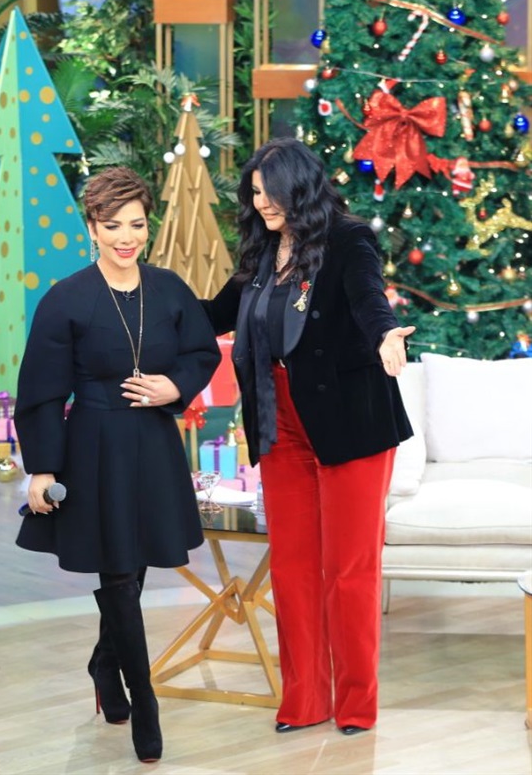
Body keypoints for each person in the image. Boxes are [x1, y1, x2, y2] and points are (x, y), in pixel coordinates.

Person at [201, 138, 414, 737]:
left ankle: (356, 704)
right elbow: (212, 315)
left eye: (269, 191)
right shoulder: (263, 252)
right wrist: (143, 296)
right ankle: (305, 699)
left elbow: (369, 299)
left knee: (348, 569)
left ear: (299, 186)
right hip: (279, 421)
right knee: (294, 567)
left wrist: (387, 333)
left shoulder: (348, 239)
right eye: (254, 192)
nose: (260, 202)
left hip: (349, 423)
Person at [14, 166, 221, 763]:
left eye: (136, 225)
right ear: (92, 227)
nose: (126, 237)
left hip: (153, 444)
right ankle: (144, 699)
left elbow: (201, 352)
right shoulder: (66, 299)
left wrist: (173, 387)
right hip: (94, 449)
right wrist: (44, 468)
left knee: (134, 567)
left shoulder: (170, 288)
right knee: (119, 574)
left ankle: (105, 665)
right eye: (112, 226)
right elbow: (41, 392)